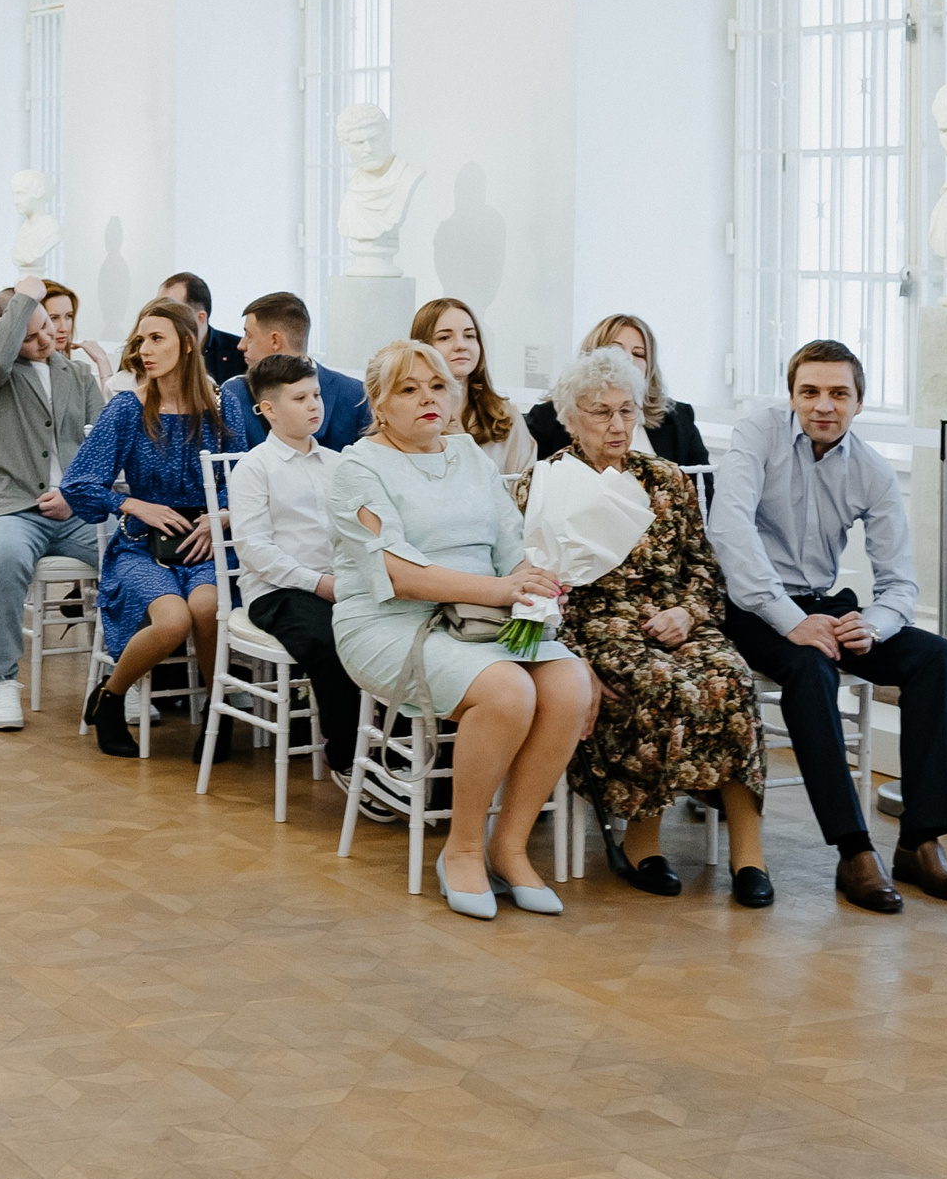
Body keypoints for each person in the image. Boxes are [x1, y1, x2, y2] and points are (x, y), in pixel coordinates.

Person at [706, 339, 947, 913]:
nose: (823, 405)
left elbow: (900, 581)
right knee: (809, 667)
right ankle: (854, 850)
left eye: (838, 394)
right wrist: (790, 619)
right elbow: (730, 534)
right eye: (810, 392)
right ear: (791, 395)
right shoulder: (757, 436)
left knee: (934, 655)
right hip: (752, 607)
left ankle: (920, 841)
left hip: (824, 605)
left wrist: (871, 627)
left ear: (858, 403)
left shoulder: (872, 470)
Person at [329, 339, 588, 919]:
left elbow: (510, 546)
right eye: (409, 388)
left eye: (438, 386)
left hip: (478, 620)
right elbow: (395, 571)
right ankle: (463, 848)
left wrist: (532, 581)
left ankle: (510, 846)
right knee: (507, 691)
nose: (427, 398)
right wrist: (500, 590)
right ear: (379, 402)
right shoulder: (357, 468)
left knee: (571, 682)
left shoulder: (470, 454)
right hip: (390, 622)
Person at [520, 346, 769, 907]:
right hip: (596, 630)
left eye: (627, 411)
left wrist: (688, 613)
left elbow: (704, 570)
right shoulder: (545, 484)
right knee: (657, 684)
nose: (617, 424)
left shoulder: (667, 481)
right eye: (601, 411)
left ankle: (749, 853)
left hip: (676, 621)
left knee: (730, 677)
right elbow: (537, 587)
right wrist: (571, 658)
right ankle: (642, 841)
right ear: (570, 416)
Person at [63, 298, 229, 759]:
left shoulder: (222, 406)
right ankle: (111, 697)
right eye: (141, 340)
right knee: (173, 620)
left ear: (189, 344)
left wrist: (222, 517)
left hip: (206, 542)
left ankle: (218, 718)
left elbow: (247, 480)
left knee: (208, 606)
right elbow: (78, 484)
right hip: (141, 546)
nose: (144, 350)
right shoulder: (126, 410)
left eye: (157, 339)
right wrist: (133, 503)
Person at [0, 277, 105, 732]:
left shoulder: (77, 375)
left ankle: (123, 676)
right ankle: (2, 680)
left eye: (47, 326)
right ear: (7, 334)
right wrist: (23, 298)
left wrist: (75, 496)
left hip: (74, 510)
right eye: (29, 336)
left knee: (127, 552)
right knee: (2, 558)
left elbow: (102, 446)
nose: (46, 338)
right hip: (10, 508)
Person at [224, 355, 359, 779]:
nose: (314, 405)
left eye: (316, 394)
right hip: (276, 593)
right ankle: (347, 755)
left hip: (337, 585)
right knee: (330, 640)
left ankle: (390, 743)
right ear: (268, 410)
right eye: (300, 398)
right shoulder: (254, 468)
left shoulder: (339, 463)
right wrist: (318, 583)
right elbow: (254, 549)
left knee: (380, 633)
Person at [525, 314, 709, 468]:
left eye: (638, 354)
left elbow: (703, 496)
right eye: (615, 350)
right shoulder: (547, 419)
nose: (627, 359)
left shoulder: (678, 419)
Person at [217, 291, 369, 455]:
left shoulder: (355, 395)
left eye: (249, 335)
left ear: (275, 340)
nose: (241, 345)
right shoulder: (235, 394)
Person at [411, 296, 535, 476]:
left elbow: (525, 491)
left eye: (469, 336)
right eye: (445, 337)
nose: (461, 345)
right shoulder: (409, 416)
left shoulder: (506, 416)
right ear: (422, 347)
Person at [158, 272, 248, 387]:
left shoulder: (239, 352)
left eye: (171, 312)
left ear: (200, 318)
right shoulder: (154, 351)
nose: (159, 318)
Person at [38, 280, 115, 385]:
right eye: (54, 318)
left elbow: (107, 401)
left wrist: (102, 360)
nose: (64, 328)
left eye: (68, 316)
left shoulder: (76, 372)